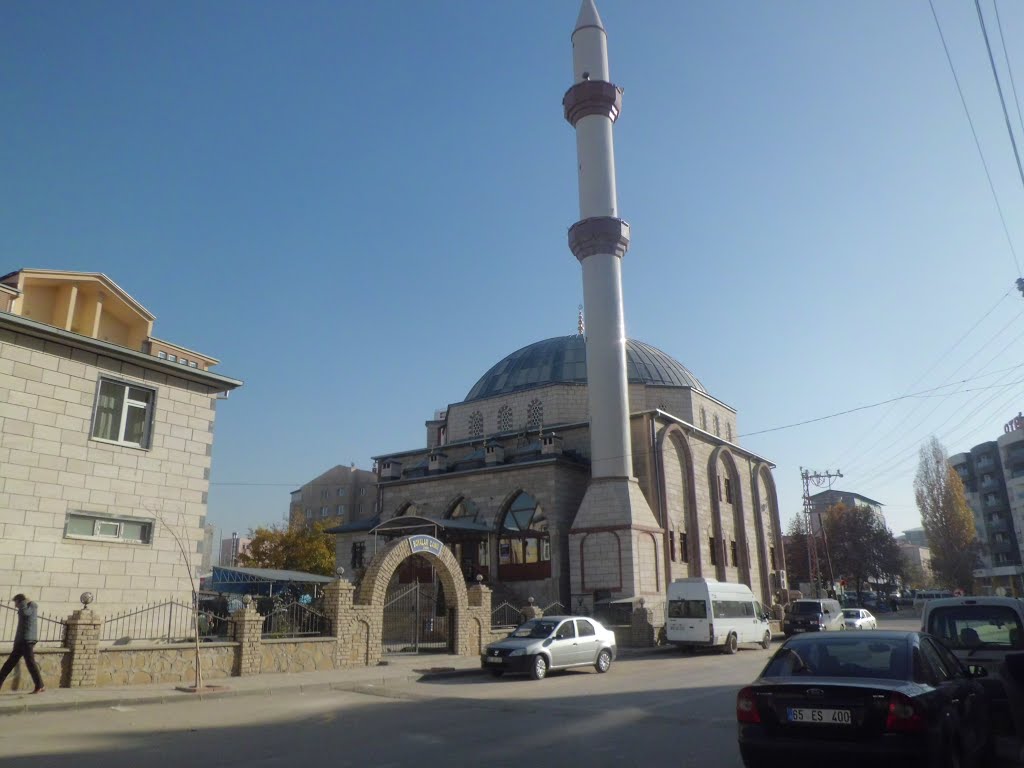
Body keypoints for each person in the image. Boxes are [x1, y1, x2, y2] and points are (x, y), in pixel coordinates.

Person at [0, 594, 45, 694]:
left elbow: (25, 613)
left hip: (26, 641)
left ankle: (40, 686)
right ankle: (40, 685)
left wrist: (23, 603)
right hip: (22, 641)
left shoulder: (28, 607)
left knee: (30, 664)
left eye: (15, 602)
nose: (15, 605)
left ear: (19, 601)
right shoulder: (27, 607)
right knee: (10, 664)